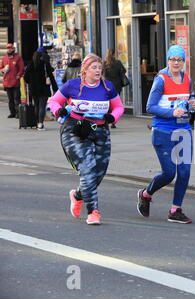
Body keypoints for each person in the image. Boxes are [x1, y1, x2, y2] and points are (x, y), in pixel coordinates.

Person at [47, 54, 124, 225]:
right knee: (87, 168)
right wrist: (58, 111)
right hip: (75, 129)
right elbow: (54, 101)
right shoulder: (73, 85)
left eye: (100, 68)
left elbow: (118, 107)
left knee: (99, 173)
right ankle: (93, 211)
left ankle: (77, 195)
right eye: (94, 68)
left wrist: (113, 118)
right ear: (85, 70)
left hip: (99, 130)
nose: (98, 71)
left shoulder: (107, 87)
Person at [136, 45, 195, 224]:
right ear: (168, 60)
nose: (176, 63)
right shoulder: (161, 80)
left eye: (179, 60)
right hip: (163, 131)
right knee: (169, 173)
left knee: (185, 172)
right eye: (173, 59)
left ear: (183, 61)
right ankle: (146, 194)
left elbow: (189, 99)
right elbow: (150, 107)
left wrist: (192, 105)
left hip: (183, 130)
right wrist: (172, 113)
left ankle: (175, 209)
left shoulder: (187, 79)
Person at [24, 47, 58, 130]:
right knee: (42, 106)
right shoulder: (45, 64)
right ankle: (40, 123)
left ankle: (37, 123)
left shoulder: (30, 64)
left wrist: (31, 83)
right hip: (44, 88)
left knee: (36, 105)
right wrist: (55, 88)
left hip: (33, 89)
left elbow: (26, 77)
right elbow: (51, 76)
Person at [104, 49, 127, 129]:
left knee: (108, 103)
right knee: (115, 104)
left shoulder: (105, 63)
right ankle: (113, 122)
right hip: (117, 85)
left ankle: (107, 119)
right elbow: (124, 70)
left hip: (107, 86)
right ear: (114, 54)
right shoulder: (118, 62)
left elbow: (103, 74)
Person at [1, 43, 25, 119]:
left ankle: (18, 113)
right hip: (7, 82)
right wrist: (3, 70)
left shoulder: (18, 58)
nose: (9, 49)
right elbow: (1, 68)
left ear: (13, 49)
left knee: (17, 98)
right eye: (8, 48)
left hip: (15, 82)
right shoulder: (4, 58)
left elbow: (21, 68)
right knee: (10, 99)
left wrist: (18, 75)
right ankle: (12, 113)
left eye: (10, 48)